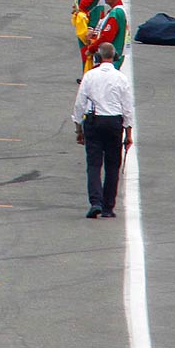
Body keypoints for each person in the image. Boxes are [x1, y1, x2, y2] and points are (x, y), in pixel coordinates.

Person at [73, 42, 133, 219]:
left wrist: (78, 129)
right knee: (113, 165)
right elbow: (127, 107)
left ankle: (95, 202)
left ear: (98, 57)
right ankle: (108, 206)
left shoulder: (90, 76)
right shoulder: (121, 78)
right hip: (114, 122)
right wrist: (128, 133)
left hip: (94, 121)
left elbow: (79, 104)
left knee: (93, 164)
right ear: (114, 58)